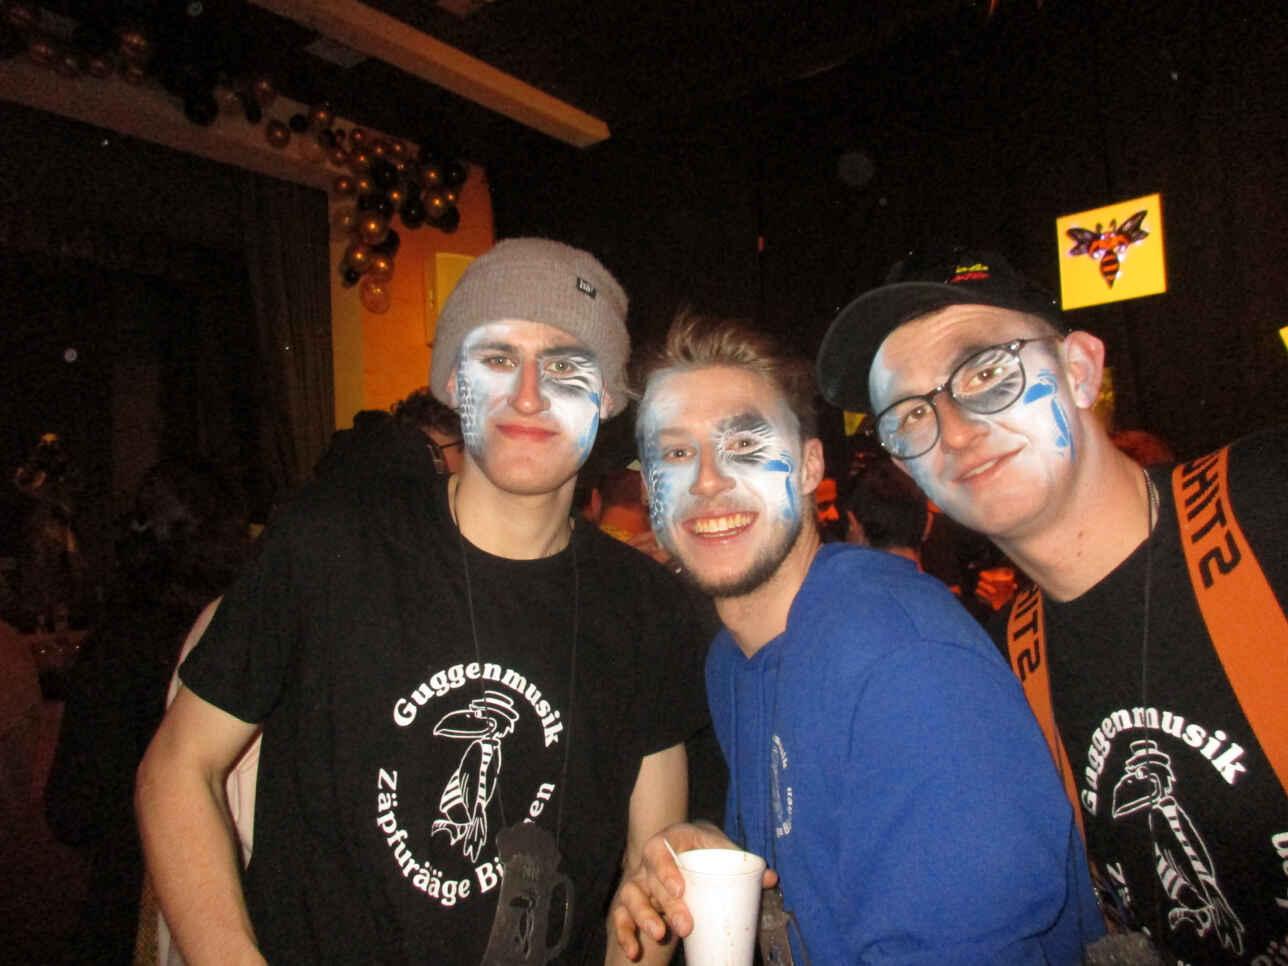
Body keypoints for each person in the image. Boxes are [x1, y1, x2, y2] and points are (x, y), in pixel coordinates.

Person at [136, 238, 709, 965]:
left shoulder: (648, 607)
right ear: (454, 381)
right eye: (497, 358)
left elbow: (648, 874)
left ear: (607, 399)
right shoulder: (328, 545)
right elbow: (177, 768)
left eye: (566, 366)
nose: (528, 394)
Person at [816, 246, 1287, 963]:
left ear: (1080, 369)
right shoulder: (1004, 661)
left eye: (985, 372)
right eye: (910, 414)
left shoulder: (1268, 507)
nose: (955, 429)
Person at [611, 312, 1102, 963]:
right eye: (676, 453)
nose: (707, 480)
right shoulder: (735, 657)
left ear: (810, 466)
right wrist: (712, 848)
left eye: (746, 444)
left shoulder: (901, 664)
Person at [44, 457, 250, 965]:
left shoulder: (125, 644)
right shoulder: (243, 636)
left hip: (145, 896)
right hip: (217, 897)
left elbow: (73, 806)